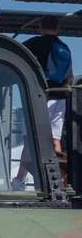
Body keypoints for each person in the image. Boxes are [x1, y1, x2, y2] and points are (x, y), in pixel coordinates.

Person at [21, 16, 73, 184]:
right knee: (55, 139)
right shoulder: (64, 48)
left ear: (40, 27)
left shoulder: (34, 43)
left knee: (29, 138)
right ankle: (60, 180)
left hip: (40, 96)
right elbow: (69, 77)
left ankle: (19, 180)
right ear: (57, 29)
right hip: (60, 97)